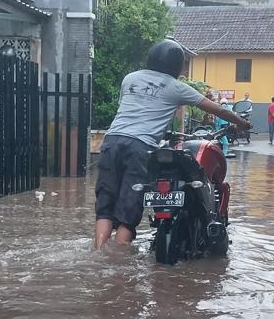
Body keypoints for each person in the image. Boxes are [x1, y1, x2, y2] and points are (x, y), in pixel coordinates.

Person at [94, 40, 253, 249]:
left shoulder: (130, 78)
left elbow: (133, 109)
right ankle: (118, 262)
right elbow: (218, 110)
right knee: (128, 213)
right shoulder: (176, 87)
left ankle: (98, 255)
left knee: (105, 206)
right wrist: (242, 123)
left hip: (111, 141)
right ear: (177, 66)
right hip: (141, 147)